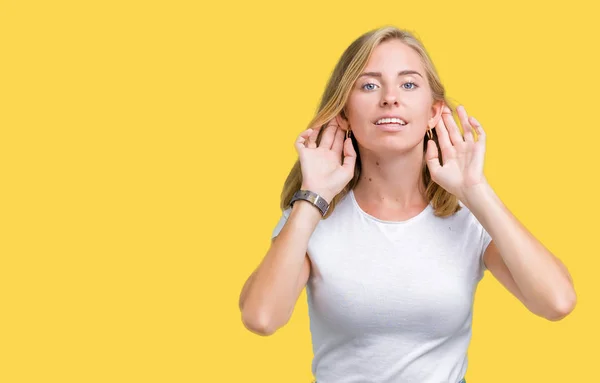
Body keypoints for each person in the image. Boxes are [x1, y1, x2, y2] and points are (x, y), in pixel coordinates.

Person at [238, 25, 577, 383]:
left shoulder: (467, 218)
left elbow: (556, 302)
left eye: (409, 84)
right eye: (369, 85)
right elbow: (261, 318)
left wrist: (475, 189)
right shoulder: (313, 216)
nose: (390, 98)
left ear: (434, 112)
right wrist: (311, 198)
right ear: (343, 115)